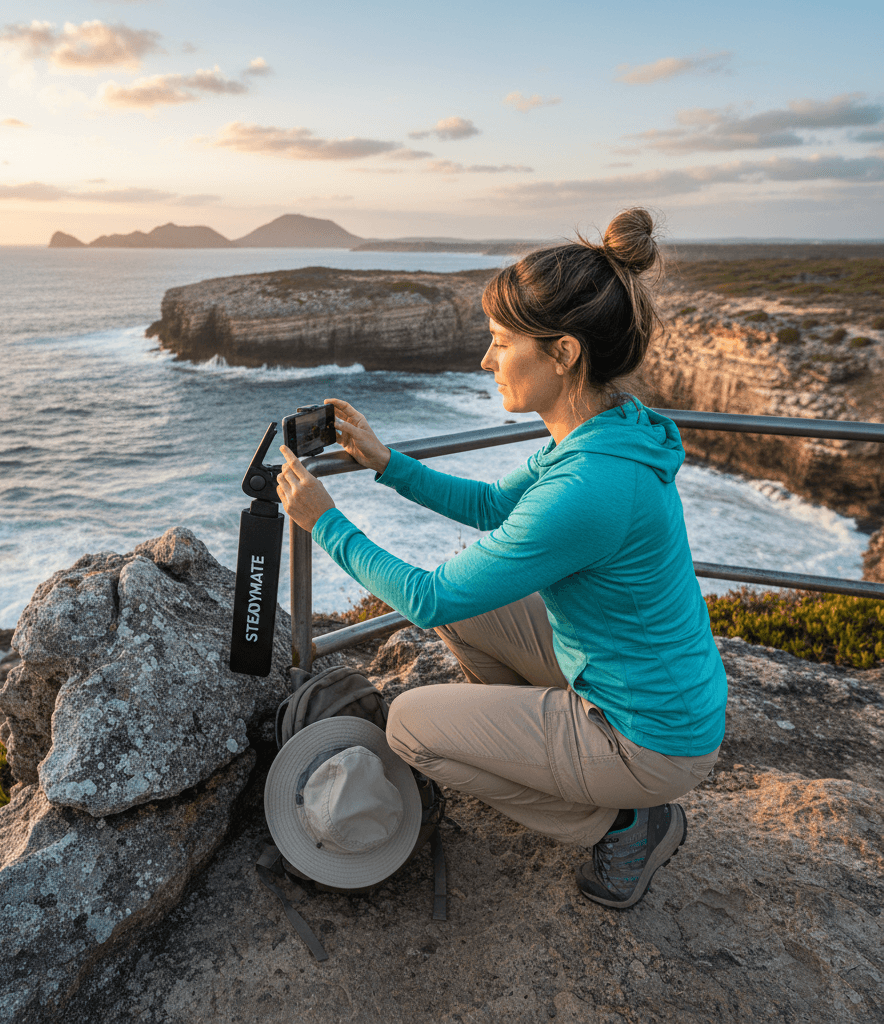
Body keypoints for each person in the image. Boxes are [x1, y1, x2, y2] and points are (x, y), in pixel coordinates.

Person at [275, 208, 727, 910]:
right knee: (473, 614)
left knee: (409, 726)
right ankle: (541, 755)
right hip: (648, 689)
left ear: (564, 353)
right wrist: (389, 465)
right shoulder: (606, 429)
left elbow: (426, 599)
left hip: (646, 739)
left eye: (500, 342)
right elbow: (492, 508)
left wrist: (324, 523)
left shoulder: (588, 486)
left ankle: (626, 824)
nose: (486, 361)